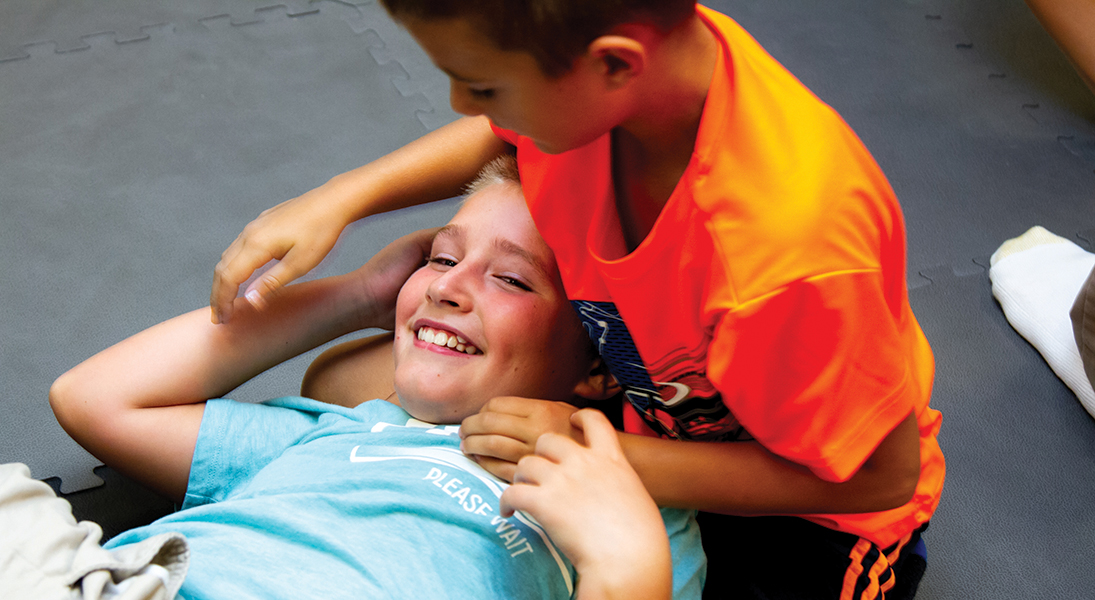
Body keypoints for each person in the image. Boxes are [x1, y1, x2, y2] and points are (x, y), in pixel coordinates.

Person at [207, 1, 945, 597]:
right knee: (340, 384)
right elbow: (492, 133)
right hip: (645, 409)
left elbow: (879, 475)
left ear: (615, 65)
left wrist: (604, 456)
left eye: (484, 86)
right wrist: (345, 196)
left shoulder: (790, 251)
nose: (463, 104)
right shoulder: (629, 78)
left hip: (812, 518)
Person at [40, 157, 704, 600]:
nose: (446, 285)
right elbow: (94, 399)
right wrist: (358, 294)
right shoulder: (343, 433)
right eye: (442, 257)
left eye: (510, 278)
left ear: (598, 363)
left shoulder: (624, 504)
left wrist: (625, 571)